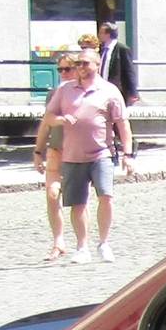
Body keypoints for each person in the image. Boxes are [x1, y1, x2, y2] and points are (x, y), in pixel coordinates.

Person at [34, 47, 134, 262]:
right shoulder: (65, 90)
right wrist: (60, 120)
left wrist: (128, 154)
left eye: (85, 63)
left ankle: (104, 243)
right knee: (77, 203)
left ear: (97, 65)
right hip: (71, 156)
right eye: (78, 63)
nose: (80, 67)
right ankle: (82, 248)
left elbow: (122, 125)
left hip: (102, 153)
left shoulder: (109, 91)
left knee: (106, 196)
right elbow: (48, 118)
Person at [98, 20, 140, 104]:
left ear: (108, 35)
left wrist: (133, 92)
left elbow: (129, 71)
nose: (99, 35)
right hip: (102, 89)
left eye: (101, 33)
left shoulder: (122, 49)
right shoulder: (102, 50)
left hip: (116, 90)